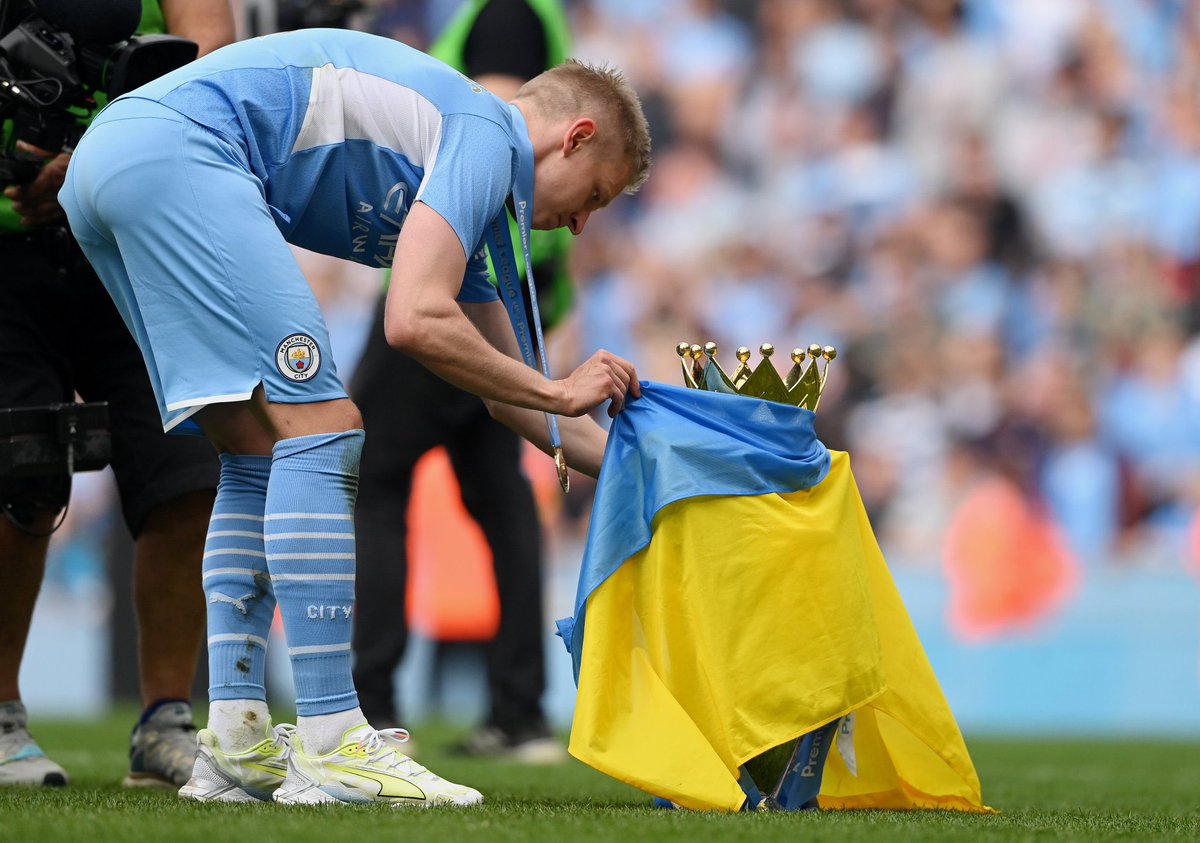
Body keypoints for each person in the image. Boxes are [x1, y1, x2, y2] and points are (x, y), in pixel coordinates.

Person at [58, 27, 650, 807]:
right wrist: (559, 390)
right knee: (328, 423)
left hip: (109, 166)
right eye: (595, 197)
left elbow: (511, 394)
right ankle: (334, 734)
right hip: (180, 151)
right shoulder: (485, 130)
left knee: (252, 444)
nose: (578, 227)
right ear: (573, 140)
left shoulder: (470, 191)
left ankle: (235, 733)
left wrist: (655, 474)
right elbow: (412, 320)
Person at [0, 0, 234, 790]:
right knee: (22, 473)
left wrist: (95, 155)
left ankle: (166, 718)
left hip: (131, 239)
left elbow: (215, 64)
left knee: (187, 477)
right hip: (7, 255)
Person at [351, 0, 575, 763]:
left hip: (464, 283)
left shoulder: (503, 14)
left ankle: (368, 707)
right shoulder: (539, 18)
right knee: (502, 498)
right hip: (502, 291)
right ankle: (520, 710)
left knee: (373, 484)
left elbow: (488, 149)